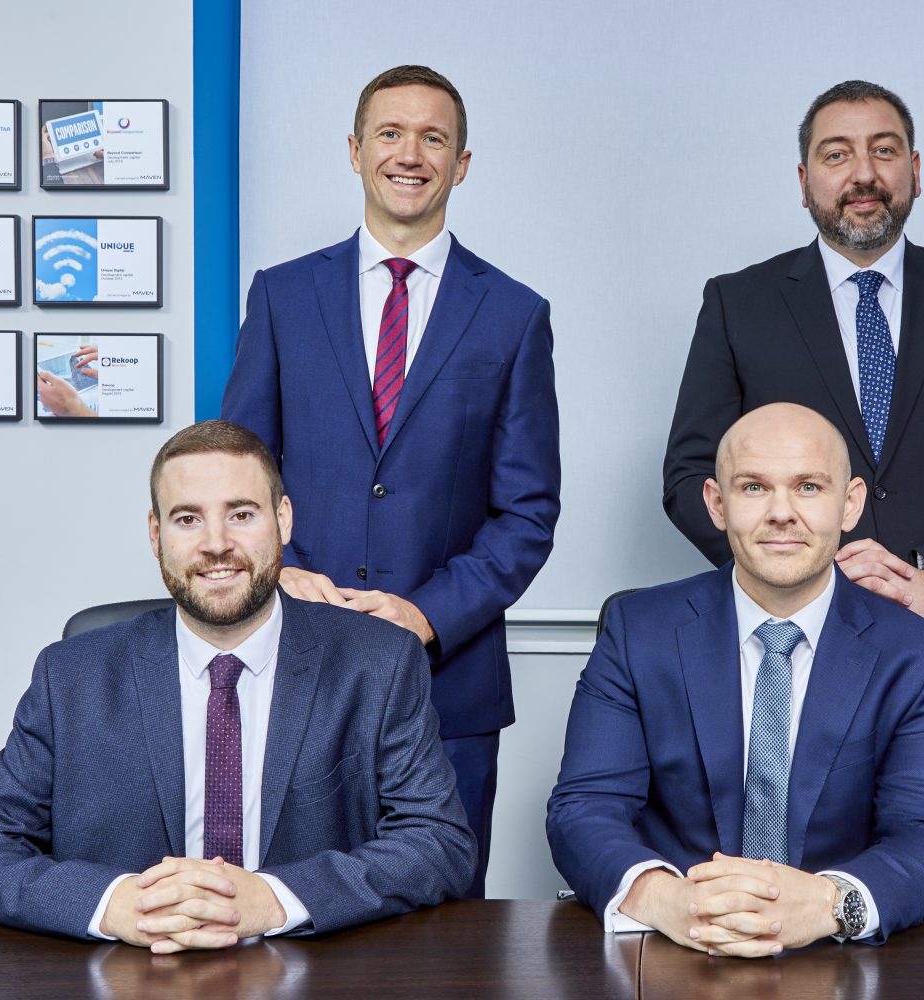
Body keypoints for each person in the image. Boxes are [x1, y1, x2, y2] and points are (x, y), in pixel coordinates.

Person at [661, 81, 924, 918]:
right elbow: (687, 476)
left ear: (916, 171)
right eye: (837, 154)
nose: (863, 173)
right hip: (792, 674)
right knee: (798, 924)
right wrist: (807, 577)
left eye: (884, 151)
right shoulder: (740, 302)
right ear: (804, 176)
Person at [0, 420, 475, 949]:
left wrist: (276, 898)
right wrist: (116, 903)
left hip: (311, 972)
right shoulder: (72, 675)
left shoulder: (378, 662)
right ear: (155, 533)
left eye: (241, 514)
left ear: (283, 520)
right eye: (187, 519)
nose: (216, 544)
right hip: (127, 977)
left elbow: (438, 843)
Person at [222, 65, 560, 898]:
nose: (411, 154)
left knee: (441, 926)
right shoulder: (281, 296)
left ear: (462, 162)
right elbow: (239, 472)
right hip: (295, 657)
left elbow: (527, 512)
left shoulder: (514, 314)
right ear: (354, 150)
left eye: (433, 137)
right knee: (287, 909)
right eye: (390, 133)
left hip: (449, 689)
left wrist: (425, 615)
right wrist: (285, 572)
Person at [550, 404, 924, 955]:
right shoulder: (639, 632)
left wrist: (825, 905)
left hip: (837, 954)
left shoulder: (916, 655)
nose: (781, 513)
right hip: (678, 943)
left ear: (851, 503)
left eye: (809, 487)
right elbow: (585, 807)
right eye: (753, 487)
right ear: (717, 505)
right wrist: (664, 899)